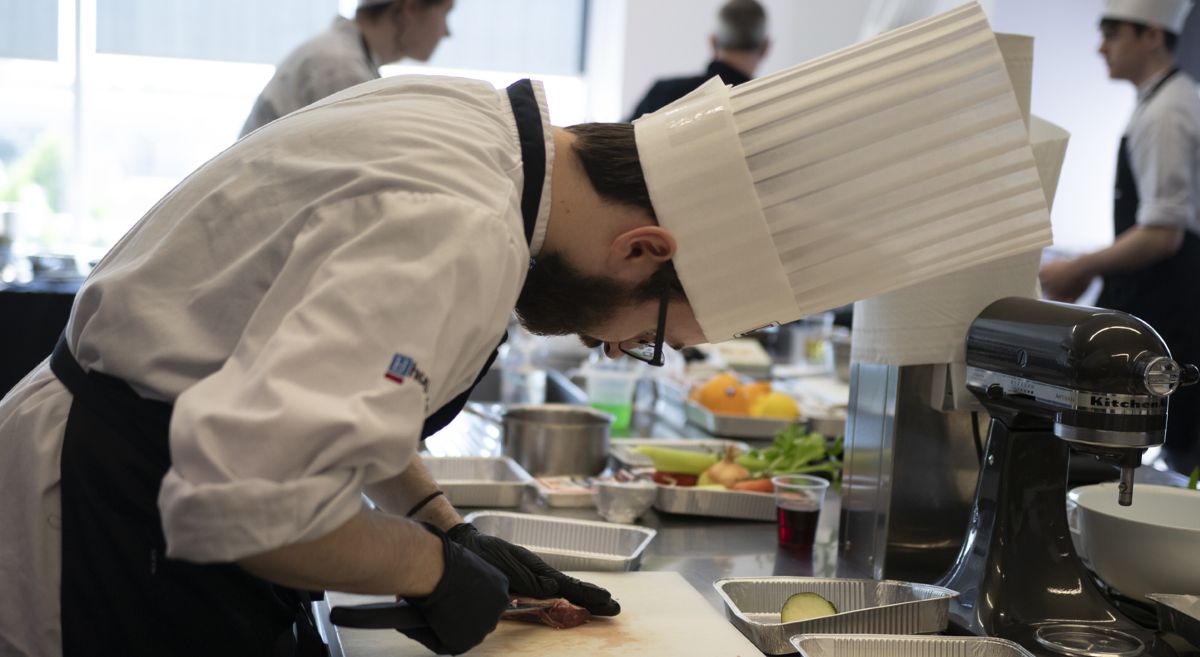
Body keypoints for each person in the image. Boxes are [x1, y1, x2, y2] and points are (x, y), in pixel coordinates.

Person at [0, 4, 1050, 655]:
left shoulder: (484, 138)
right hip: (107, 528)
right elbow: (244, 504)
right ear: (643, 248)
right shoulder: (461, 229)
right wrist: (425, 570)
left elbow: (317, 383)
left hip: (129, 483)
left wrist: (446, 523)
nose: (613, 350)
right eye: (651, 332)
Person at [1039, 0, 1200, 474]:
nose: (1101, 47)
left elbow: (1163, 234)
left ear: (1152, 36)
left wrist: (1078, 267)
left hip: (1176, 300)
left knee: (1168, 442)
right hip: (1167, 295)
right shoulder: (1163, 100)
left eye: (1112, 33)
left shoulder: (1167, 112)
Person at [239, 0, 453, 137]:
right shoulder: (338, 67)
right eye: (445, 12)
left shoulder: (345, 59)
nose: (447, 32)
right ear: (410, 9)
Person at [626, 0, 769, 121]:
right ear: (766, 48)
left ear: (712, 42)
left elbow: (613, 149)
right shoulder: (767, 109)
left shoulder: (661, 95)